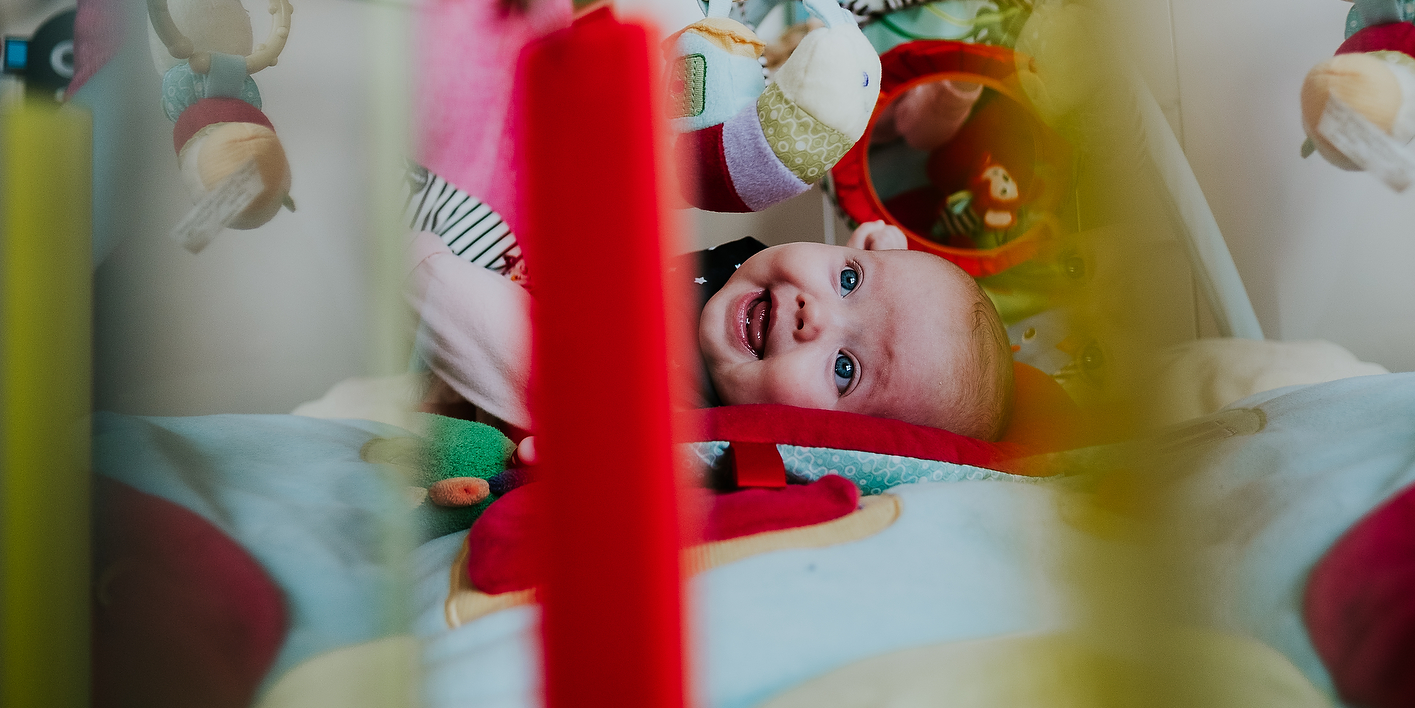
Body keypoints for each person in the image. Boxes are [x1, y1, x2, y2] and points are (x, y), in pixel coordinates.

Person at [407, 198, 1015, 445]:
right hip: (540, 284)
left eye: (844, 369)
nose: (815, 314)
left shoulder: (700, 427)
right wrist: (875, 256)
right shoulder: (766, 282)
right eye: (849, 280)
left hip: (551, 381)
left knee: (533, 350)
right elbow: (875, 299)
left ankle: (420, 268)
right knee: (478, 219)